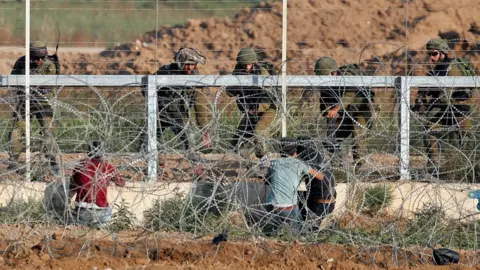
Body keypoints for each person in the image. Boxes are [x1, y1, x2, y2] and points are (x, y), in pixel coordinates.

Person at [412, 38, 475, 172]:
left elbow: (446, 95)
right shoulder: (436, 71)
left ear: (443, 53)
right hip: (444, 111)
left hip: (460, 111)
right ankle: (433, 165)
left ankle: (468, 170)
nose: (431, 58)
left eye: (434, 54)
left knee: (466, 140)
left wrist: (427, 105)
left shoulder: (452, 69)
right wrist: (420, 101)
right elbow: (423, 91)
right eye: (429, 54)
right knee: (429, 130)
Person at [143, 47, 211, 151]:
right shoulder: (166, 71)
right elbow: (146, 86)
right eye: (187, 64)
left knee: (190, 140)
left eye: (192, 64)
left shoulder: (194, 78)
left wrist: (204, 128)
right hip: (159, 112)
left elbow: (199, 102)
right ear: (181, 63)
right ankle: (149, 162)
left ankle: (194, 163)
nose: (190, 68)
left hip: (179, 115)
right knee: (147, 143)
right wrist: (154, 103)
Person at [313, 57, 373, 166]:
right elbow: (324, 101)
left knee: (358, 133)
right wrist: (326, 112)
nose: (322, 79)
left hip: (361, 109)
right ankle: (338, 166)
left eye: (324, 75)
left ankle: (359, 166)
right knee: (331, 138)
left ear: (333, 72)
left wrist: (336, 109)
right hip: (344, 114)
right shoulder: (326, 83)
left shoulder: (347, 76)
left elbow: (349, 95)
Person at [9, 41, 58, 174]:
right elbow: (13, 81)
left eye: (42, 57)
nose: (39, 61)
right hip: (25, 101)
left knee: (48, 130)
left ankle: (51, 160)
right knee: (18, 130)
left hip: (43, 101)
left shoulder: (49, 64)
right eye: (36, 58)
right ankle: (13, 161)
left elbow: (51, 84)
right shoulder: (21, 63)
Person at [262, 137, 324, 236]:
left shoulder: (273, 163)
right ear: (295, 152)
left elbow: (267, 180)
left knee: (271, 234)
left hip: (272, 205)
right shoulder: (299, 164)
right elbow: (320, 177)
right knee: (297, 234)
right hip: (288, 208)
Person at [226, 47, 278, 158]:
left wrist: (257, 108)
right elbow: (229, 92)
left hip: (267, 109)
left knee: (259, 133)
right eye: (244, 65)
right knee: (237, 142)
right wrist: (237, 85)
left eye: (249, 64)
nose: (247, 67)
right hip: (250, 111)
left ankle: (263, 159)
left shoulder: (261, 72)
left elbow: (268, 94)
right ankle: (248, 167)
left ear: (253, 63)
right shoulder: (237, 73)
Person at [69, 141, 125, 226]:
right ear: (102, 153)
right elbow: (120, 183)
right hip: (101, 212)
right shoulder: (107, 167)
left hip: (82, 211)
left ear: (88, 152)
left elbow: (72, 187)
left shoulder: (80, 165)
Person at [296, 136, 336, 223]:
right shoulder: (321, 161)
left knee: (299, 197)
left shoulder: (308, 164)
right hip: (330, 203)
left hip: (319, 206)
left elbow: (302, 191)